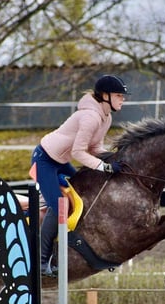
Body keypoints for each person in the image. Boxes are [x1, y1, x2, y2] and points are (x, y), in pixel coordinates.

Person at [30, 74, 130, 276]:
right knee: (59, 204)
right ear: (105, 96)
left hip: (60, 161)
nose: (123, 99)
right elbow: (78, 152)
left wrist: (113, 158)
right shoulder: (90, 117)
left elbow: (94, 148)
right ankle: (40, 260)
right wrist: (105, 167)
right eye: (119, 95)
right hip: (44, 161)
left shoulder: (106, 117)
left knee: (81, 190)